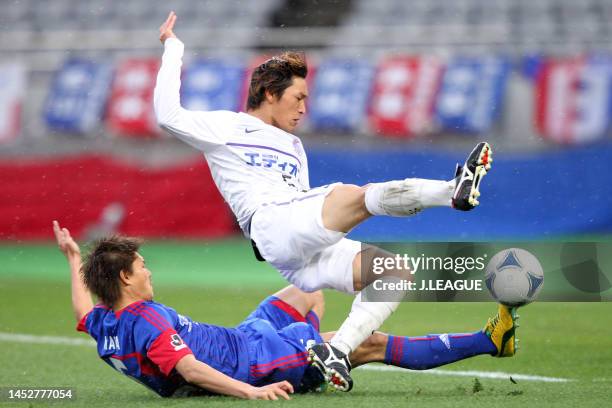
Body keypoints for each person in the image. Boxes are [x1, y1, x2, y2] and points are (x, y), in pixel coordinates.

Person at [153, 11, 494, 391]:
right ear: (270, 93)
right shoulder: (226, 127)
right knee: (353, 197)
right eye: (298, 98)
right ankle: (451, 191)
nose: (303, 108)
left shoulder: (295, 146)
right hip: (270, 224)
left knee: (393, 273)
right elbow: (167, 115)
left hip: (296, 241)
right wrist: (174, 48)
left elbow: (305, 205)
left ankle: (337, 352)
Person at [55, 220, 518, 399]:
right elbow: (191, 371)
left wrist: (74, 258)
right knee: (365, 344)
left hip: (244, 335)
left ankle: (316, 353)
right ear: (124, 280)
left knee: (307, 289)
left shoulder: (106, 322)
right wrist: (252, 394)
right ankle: (491, 340)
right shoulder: (147, 321)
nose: (149, 271)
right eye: (142, 266)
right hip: (254, 362)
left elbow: (83, 307)